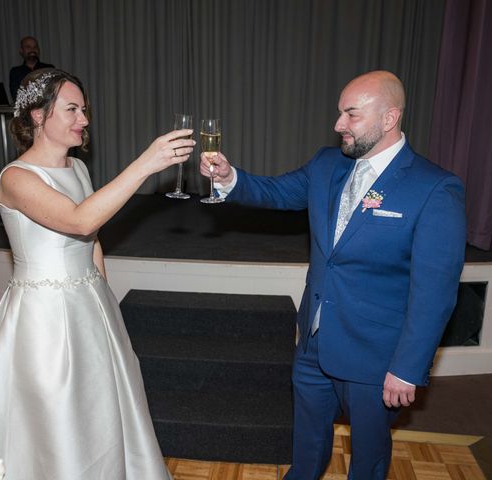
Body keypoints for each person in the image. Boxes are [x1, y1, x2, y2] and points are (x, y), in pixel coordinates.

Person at [199, 70, 466, 479]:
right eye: (340, 113)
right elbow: (276, 192)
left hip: (376, 357)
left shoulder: (434, 188)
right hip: (313, 344)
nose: (338, 124)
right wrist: (228, 177)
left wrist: (409, 367)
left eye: (351, 115)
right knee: (306, 449)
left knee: (368, 457)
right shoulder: (327, 165)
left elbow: (435, 291)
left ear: (389, 117)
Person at [0, 68, 194, 479]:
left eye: (85, 109)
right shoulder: (15, 178)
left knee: (100, 409)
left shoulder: (78, 169)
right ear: (39, 116)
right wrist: (145, 165)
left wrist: (106, 303)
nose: (84, 119)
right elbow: (77, 221)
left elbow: (91, 237)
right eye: (72, 109)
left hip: (90, 307)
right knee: (55, 413)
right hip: (42, 320)